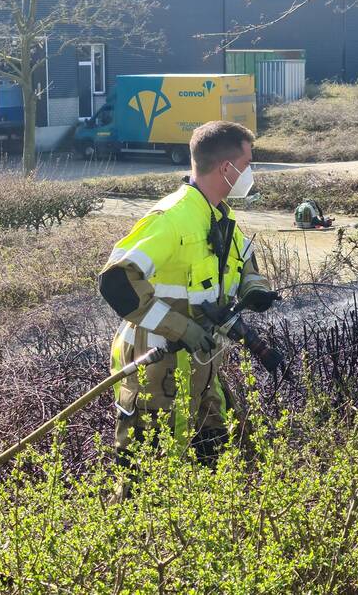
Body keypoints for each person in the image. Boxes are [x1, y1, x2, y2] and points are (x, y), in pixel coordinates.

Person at [98, 121, 278, 467]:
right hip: (155, 375)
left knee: (215, 467)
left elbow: (244, 261)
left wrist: (254, 288)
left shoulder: (219, 215)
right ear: (225, 168)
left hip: (202, 372)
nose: (249, 173)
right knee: (144, 479)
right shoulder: (171, 219)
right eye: (246, 164)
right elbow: (116, 281)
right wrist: (181, 328)